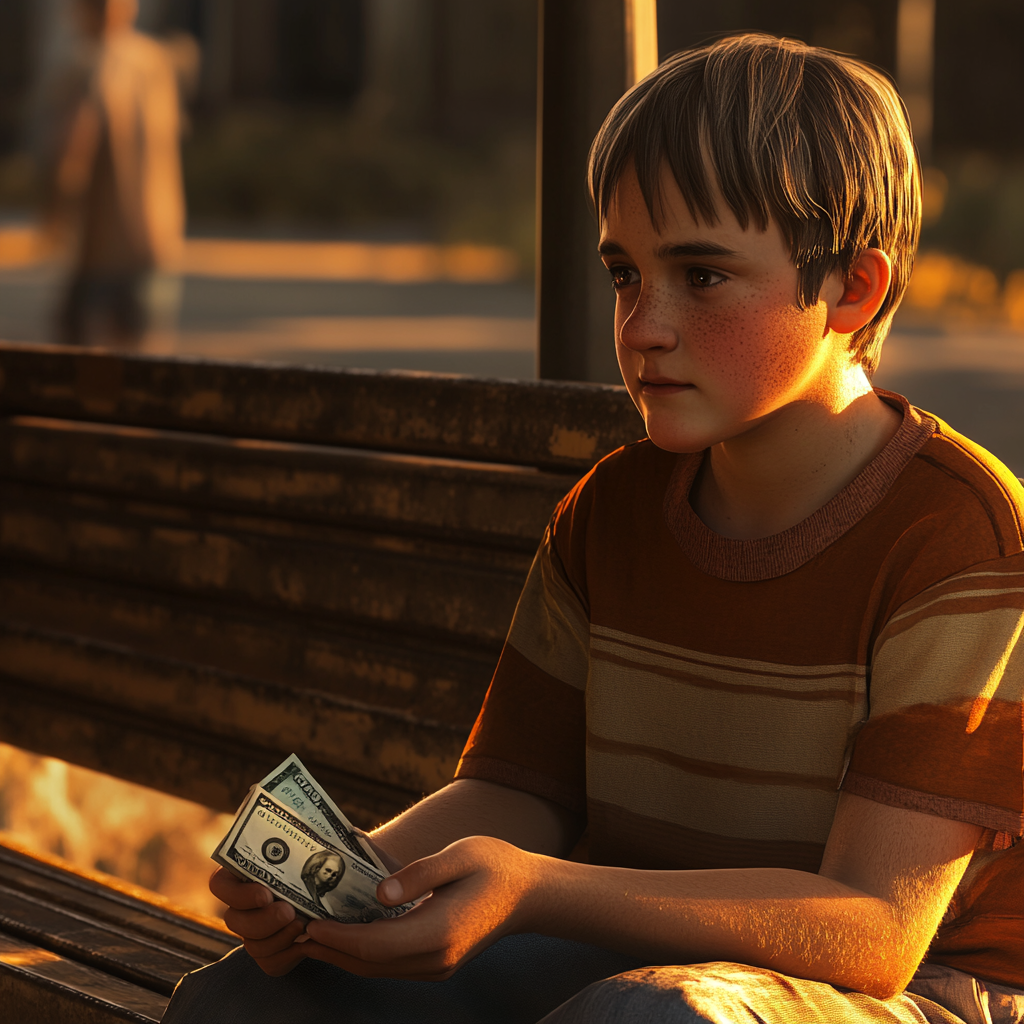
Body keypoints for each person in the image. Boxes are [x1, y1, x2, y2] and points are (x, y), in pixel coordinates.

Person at [163, 34, 1024, 1024]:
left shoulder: (958, 535)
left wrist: (536, 888)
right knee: (250, 1003)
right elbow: (517, 796)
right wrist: (349, 886)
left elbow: (874, 928)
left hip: (908, 998)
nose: (642, 324)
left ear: (851, 291)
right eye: (624, 274)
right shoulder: (612, 509)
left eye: (700, 276)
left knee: (646, 1019)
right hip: (625, 953)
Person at [37, 0, 185, 352]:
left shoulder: (88, 65)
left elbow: (73, 148)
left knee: (79, 366)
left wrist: (55, 214)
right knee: (145, 366)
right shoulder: (155, 60)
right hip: (158, 237)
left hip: (102, 246)